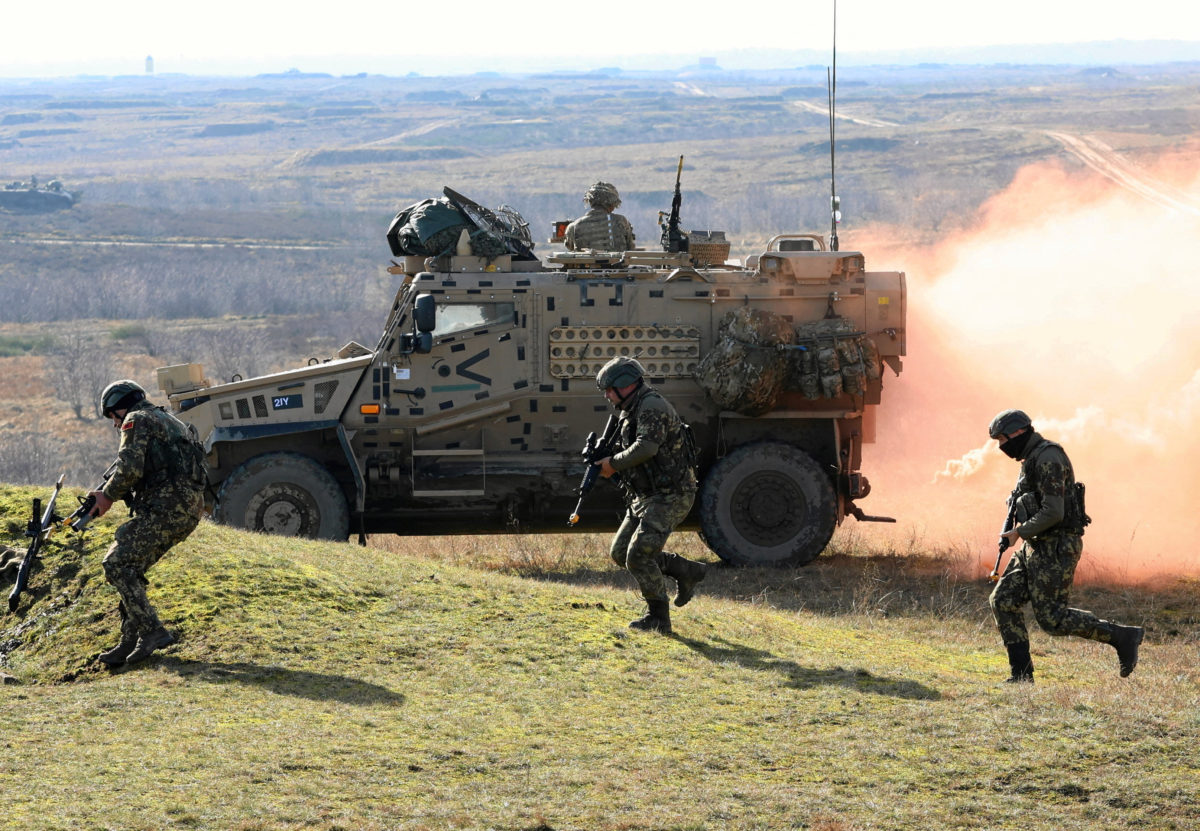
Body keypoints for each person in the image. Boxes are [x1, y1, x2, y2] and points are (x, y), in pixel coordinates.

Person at [987, 408, 1143, 683]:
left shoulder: (1048, 458)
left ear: (1019, 432)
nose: (1002, 446)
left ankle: (1122, 636)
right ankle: (1021, 676)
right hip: (1035, 545)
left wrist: (1019, 532)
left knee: (1053, 619)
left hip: (1057, 547)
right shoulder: (1031, 460)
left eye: (1003, 439)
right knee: (1003, 600)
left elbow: (1053, 512)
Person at [89, 380, 207, 667]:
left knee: (115, 564)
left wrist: (106, 497)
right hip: (188, 511)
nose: (116, 425)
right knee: (130, 568)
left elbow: (129, 469)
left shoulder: (136, 420)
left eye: (112, 418)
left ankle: (153, 632)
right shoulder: (169, 419)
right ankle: (129, 640)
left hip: (165, 508)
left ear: (119, 408)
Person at [594, 357, 706, 633]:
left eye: (610, 389)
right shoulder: (631, 408)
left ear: (625, 385)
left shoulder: (651, 406)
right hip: (646, 496)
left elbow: (647, 448)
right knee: (621, 553)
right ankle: (684, 570)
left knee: (638, 556)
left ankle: (658, 617)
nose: (607, 395)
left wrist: (612, 464)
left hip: (671, 494)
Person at [564, 182, 636, 252]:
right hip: (617, 264)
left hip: (585, 264)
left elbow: (570, 247)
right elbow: (630, 247)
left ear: (590, 202)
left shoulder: (573, 226)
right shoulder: (621, 221)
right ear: (611, 204)